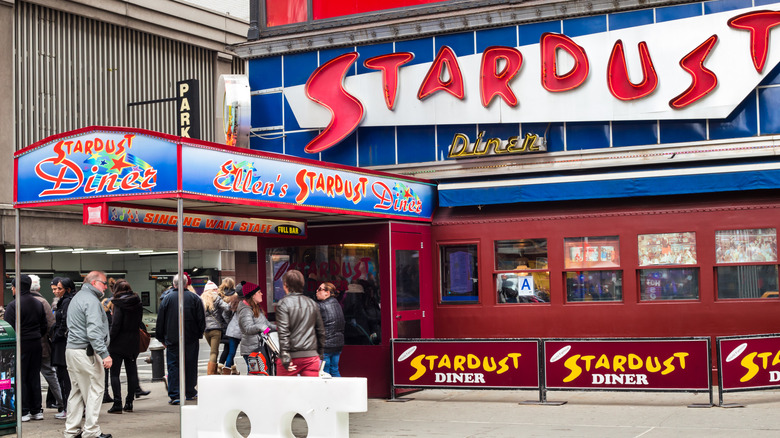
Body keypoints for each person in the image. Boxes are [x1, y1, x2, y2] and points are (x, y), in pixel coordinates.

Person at [63, 270, 113, 438]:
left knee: (76, 391)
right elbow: (93, 332)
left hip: (72, 350)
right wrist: (104, 354)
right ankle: (91, 431)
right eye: (104, 283)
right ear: (94, 283)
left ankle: (71, 430)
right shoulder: (91, 301)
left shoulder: (76, 298)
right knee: (95, 390)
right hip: (86, 352)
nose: (106, 287)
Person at [156, 272, 206, 405]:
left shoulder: (166, 299)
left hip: (172, 338)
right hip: (190, 338)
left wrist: (161, 337)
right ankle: (189, 390)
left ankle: (175, 394)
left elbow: (160, 320)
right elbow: (201, 320)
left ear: (174, 284)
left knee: (173, 365)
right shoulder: (195, 298)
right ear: (187, 284)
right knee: (190, 364)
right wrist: (198, 334)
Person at [5, 274, 48, 422]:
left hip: (20, 344)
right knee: (34, 376)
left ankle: (23, 411)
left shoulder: (13, 305)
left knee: (20, 377)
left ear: (16, 287)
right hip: (36, 343)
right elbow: (44, 326)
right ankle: (37, 410)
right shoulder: (38, 303)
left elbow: (8, 329)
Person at [275, 270, 325, 377]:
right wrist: (319, 354)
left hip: (291, 356)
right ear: (302, 284)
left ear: (285, 285)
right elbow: (320, 331)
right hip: (311, 356)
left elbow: (283, 333)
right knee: (310, 391)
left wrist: (285, 356)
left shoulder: (283, 304)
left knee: (286, 391)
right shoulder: (312, 303)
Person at [29, 275, 66, 416]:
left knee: (27, 377)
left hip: (24, 347)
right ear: (38, 287)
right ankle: (63, 404)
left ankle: (28, 408)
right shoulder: (43, 302)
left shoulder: (18, 302)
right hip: (43, 345)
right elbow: (51, 325)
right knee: (51, 375)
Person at [106, 279, 143, 414]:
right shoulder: (138, 303)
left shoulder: (118, 304)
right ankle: (129, 402)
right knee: (131, 372)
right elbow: (139, 321)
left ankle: (117, 402)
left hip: (118, 343)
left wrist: (109, 340)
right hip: (133, 341)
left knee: (114, 373)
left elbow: (116, 325)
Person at [237, 282, 276, 375]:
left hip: (259, 347)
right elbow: (247, 328)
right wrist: (262, 328)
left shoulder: (256, 308)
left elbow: (267, 326)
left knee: (260, 374)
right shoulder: (245, 310)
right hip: (251, 350)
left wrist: (280, 328)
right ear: (253, 295)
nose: (261, 294)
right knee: (254, 376)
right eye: (259, 292)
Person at [51, 277, 76, 420]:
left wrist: (56, 336)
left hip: (63, 344)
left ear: (67, 289)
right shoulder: (63, 301)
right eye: (55, 288)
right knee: (64, 377)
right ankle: (68, 408)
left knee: (66, 378)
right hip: (61, 343)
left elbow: (65, 322)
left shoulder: (67, 302)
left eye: (59, 288)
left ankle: (69, 408)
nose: (56, 291)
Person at [316, 282, 345, 377]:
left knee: (325, 373)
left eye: (320, 289)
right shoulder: (337, 305)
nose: (317, 291)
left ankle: (327, 392)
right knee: (335, 370)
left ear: (327, 293)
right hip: (338, 345)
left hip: (326, 346)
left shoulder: (320, 306)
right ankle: (340, 391)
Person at [201, 280, 229, 375]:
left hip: (205, 330)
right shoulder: (216, 298)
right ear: (213, 289)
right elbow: (227, 308)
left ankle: (214, 372)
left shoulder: (201, 300)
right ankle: (211, 373)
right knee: (214, 352)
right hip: (216, 329)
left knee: (213, 350)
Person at [221, 282, 243, 375]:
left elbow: (225, 314)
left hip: (231, 330)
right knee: (233, 352)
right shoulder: (246, 303)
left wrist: (230, 322)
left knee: (231, 351)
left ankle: (227, 370)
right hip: (239, 331)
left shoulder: (234, 301)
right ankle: (227, 369)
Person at [216, 277, 236, 371]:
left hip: (220, 324)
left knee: (228, 347)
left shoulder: (218, 295)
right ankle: (224, 366)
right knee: (230, 348)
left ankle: (230, 367)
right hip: (229, 325)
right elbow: (227, 313)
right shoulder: (233, 295)